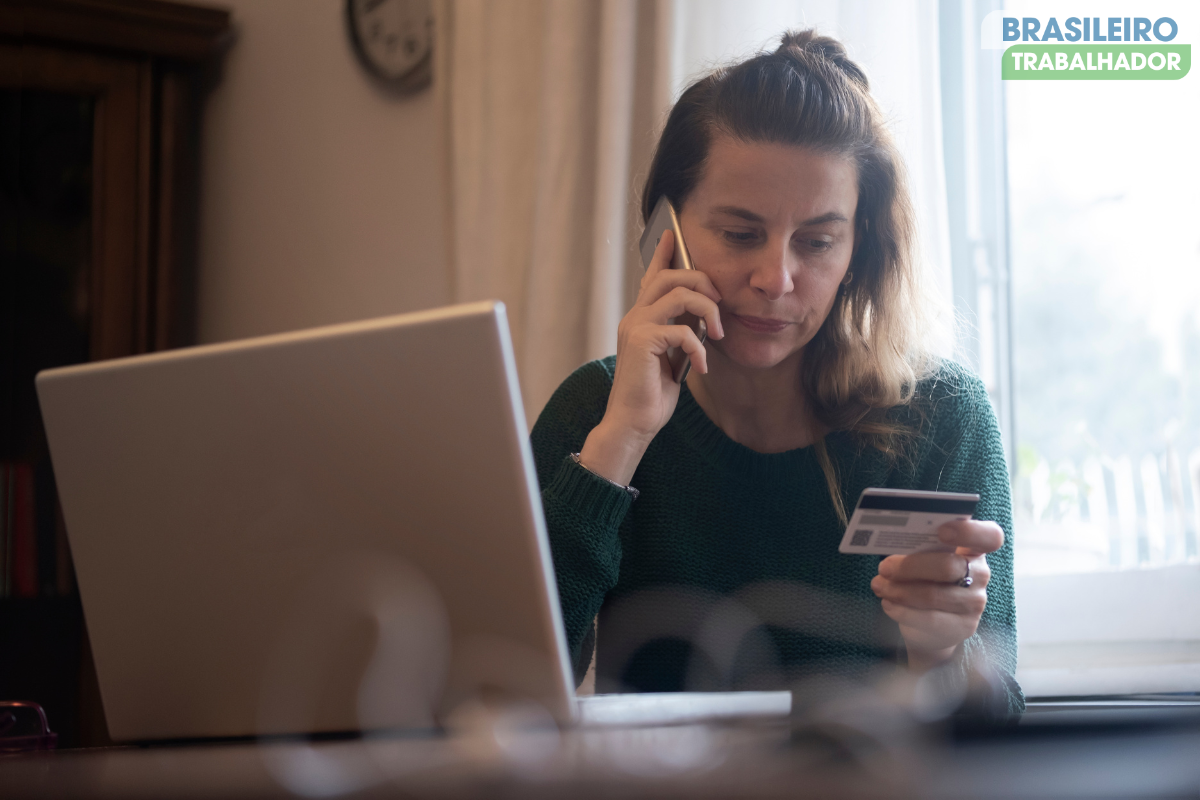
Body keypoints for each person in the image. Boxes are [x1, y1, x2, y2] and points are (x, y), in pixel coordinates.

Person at [530, 30, 1022, 715]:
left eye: (817, 242)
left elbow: (996, 742)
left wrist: (943, 656)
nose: (775, 279)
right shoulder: (596, 410)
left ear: (860, 248)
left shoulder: (941, 419)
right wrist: (621, 442)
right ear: (663, 232)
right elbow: (508, 689)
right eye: (738, 234)